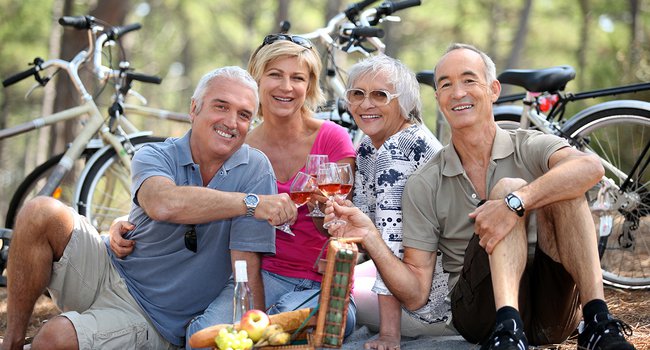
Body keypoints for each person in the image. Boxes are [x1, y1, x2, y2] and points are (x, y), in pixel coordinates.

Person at [326, 43, 636, 350]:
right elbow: (416, 293)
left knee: (558, 185)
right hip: (480, 313)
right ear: (438, 98)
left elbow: (591, 168)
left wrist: (516, 203)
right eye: (446, 84)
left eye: (469, 80)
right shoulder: (425, 181)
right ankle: (507, 328)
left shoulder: (528, 145)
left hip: (549, 310)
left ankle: (597, 321)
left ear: (494, 89)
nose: (458, 92)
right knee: (508, 188)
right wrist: (369, 235)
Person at [1, 66, 297, 350]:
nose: (232, 122)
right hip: (107, 268)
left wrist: (253, 333)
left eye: (244, 115)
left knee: (53, 339)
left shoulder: (255, 170)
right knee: (40, 211)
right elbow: (163, 203)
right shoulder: (154, 154)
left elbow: (245, 269)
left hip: (151, 317)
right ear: (194, 109)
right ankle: (11, 342)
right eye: (221, 106)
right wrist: (249, 203)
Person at [344, 54, 451, 350]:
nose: (366, 104)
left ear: (403, 102)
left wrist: (389, 336)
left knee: (341, 299)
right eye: (357, 94)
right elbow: (370, 230)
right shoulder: (369, 145)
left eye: (380, 95)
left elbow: (387, 246)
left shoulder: (396, 154)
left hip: (433, 306)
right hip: (414, 279)